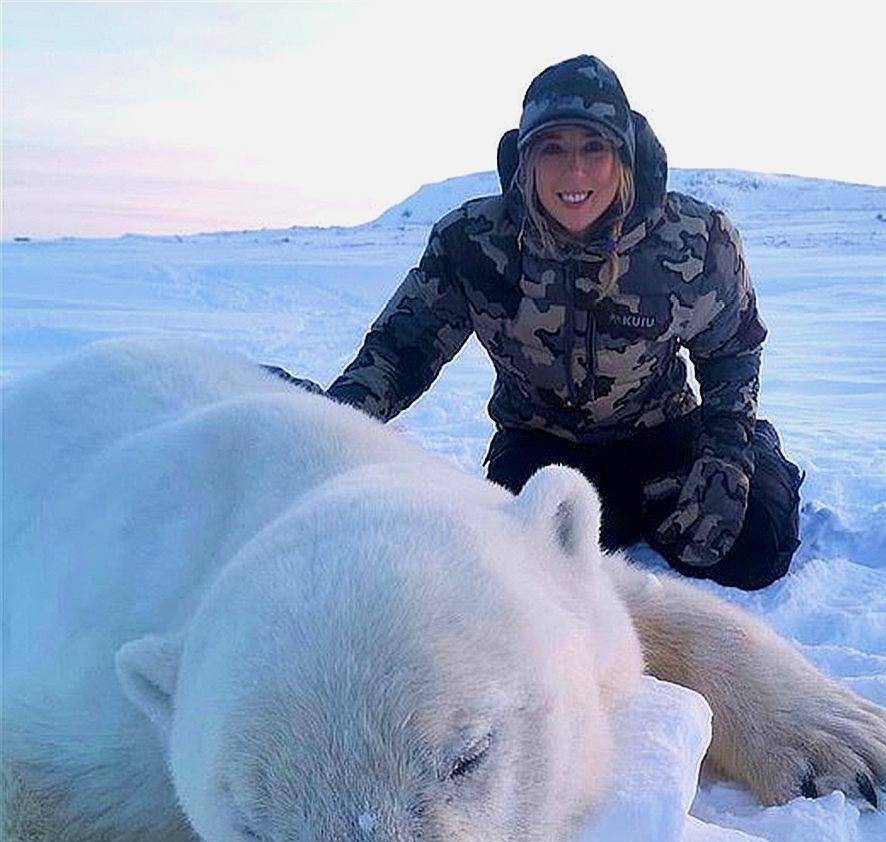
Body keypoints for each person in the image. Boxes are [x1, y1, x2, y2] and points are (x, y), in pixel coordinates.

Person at [273, 55, 803, 590]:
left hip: (660, 431)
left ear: (624, 155)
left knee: (753, 545)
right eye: (553, 149)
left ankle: (757, 451)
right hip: (539, 444)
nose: (574, 171)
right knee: (532, 574)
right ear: (526, 158)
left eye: (594, 148)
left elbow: (732, 352)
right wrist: (326, 426)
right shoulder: (472, 243)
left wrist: (726, 459)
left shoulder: (696, 237)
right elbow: (399, 351)